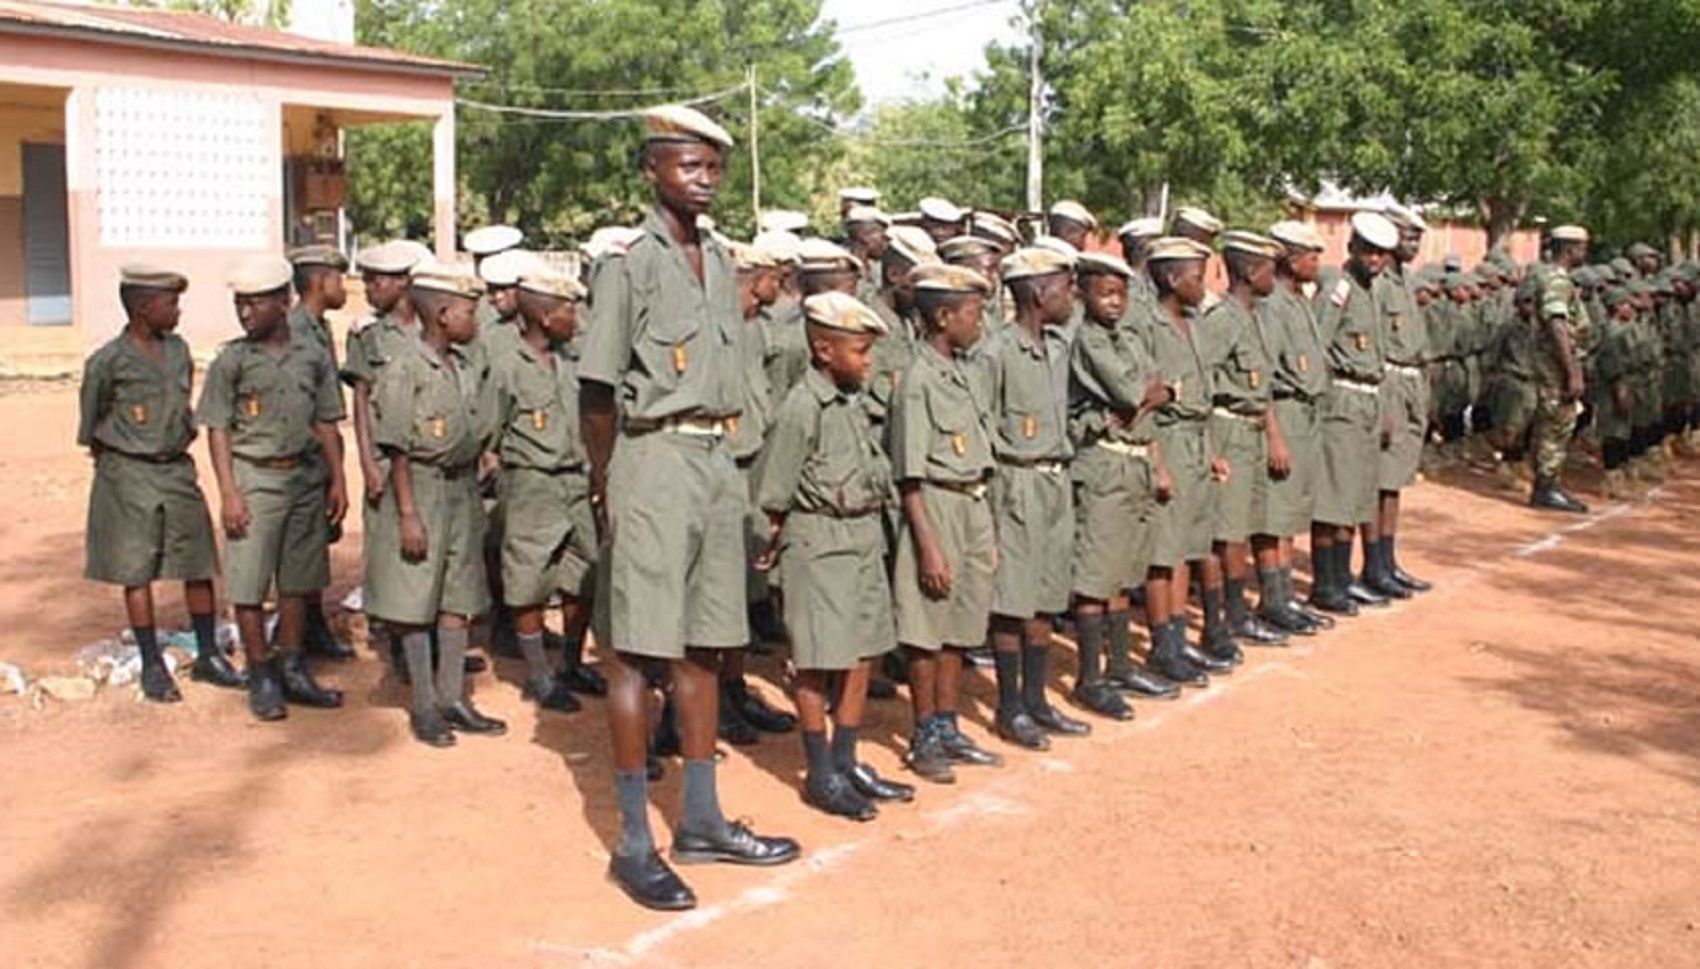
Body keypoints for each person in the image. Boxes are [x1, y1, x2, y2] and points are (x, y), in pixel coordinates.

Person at [580, 105, 800, 913]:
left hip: (716, 461)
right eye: (687, 165)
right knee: (638, 652)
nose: (703, 180)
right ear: (651, 169)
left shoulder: (719, 258)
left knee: (706, 645)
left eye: (713, 168)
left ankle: (702, 819)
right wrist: (610, 482)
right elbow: (598, 389)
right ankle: (637, 841)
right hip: (653, 457)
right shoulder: (630, 264)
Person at [755, 290, 912, 820]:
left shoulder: (849, 402)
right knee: (818, 662)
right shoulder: (803, 408)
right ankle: (820, 771)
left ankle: (846, 762)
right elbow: (774, 492)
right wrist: (770, 552)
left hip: (861, 539)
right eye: (859, 351)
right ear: (824, 350)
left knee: (863, 652)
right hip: (818, 545)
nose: (867, 361)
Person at [79, 265, 239, 702]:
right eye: (171, 303)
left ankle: (208, 654)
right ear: (144, 308)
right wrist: (123, 459)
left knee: (198, 562)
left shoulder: (179, 351)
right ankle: (152, 663)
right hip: (128, 474)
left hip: (176, 470)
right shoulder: (108, 362)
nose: (178, 310)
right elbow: (91, 426)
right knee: (137, 569)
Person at [198, 255, 348, 721]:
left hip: (304, 477)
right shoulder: (232, 361)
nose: (245, 313)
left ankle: (293, 666)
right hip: (255, 478)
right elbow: (218, 428)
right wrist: (229, 492)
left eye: (255, 303)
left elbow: (325, 421)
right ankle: (261, 673)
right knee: (248, 582)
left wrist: (337, 478)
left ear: (283, 302)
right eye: (239, 304)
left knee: (298, 581)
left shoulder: (312, 356)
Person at [366, 261, 505, 744]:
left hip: (461, 488)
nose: (476, 320)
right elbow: (399, 448)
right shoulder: (406, 368)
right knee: (415, 599)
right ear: (444, 314)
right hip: (420, 488)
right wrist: (407, 514)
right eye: (469, 311)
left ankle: (453, 698)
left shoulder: (463, 366)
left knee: (457, 597)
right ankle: (424, 705)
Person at [888, 262, 1004, 783]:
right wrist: (928, 546)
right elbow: (909, 474)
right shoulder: (917, 380)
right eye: (972, 313)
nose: (979, 323)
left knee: (960, 625)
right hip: (935, 507)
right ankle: (924, 733)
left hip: (971, 503)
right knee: (926, 631)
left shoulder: (961, 369)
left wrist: (989, 530)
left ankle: (948, 722)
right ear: (942, 317)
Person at [980, 246, 1091, 749]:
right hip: (1015, 482)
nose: (1072, 295)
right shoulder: (996, 351)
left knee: (1046, 596)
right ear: (1039, 292)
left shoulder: (1057, 346)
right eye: (1065, 287)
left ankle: (1036, 699)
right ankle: (1009, 706)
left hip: (1054, 480)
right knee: (1012, 601)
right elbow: (983, 427)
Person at [1065, 251, 1180, 719]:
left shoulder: (1125, 337)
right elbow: (1136, 392)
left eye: (1121, 293)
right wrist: (1152, 393)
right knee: (1097, 575)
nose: (1115, 302)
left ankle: (1118, 665)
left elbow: (1160, 390)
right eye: (1105, 293)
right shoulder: (1090, 339)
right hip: (1105, 463)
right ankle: (1090, 677)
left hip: (1135, 458)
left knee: (1123, 570)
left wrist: (1154, 393)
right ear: (1083, 293)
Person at [485, 267, 599, 713]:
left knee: (584, 572)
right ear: (547, 317)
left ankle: (570, 662)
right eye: (570, 310)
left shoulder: (574, 362)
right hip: (532, 482)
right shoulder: (507, 367)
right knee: (529, 578)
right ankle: (538, 674)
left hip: (577, 480)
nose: (577, 318)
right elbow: (487, 430)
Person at [1136, 236, 1234, 685]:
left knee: (1187, 547)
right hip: (1168, 441)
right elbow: (1147, 404)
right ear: (1173, 279)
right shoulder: (1149, 326)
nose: (1204, 285)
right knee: (1164, 552)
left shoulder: (1192, 324)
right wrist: (1157, 463)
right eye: (1197, 276)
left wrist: (1212, 451)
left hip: (1194, 440)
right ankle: (1163, 644)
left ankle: (1178, 639)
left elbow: (1203, 395)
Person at [716, 239, 799, 746]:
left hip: (754, 461)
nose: (780, 284)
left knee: (745, 588)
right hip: (727, 466)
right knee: (723, 591)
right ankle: (718, 700)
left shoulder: (756, 329)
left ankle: (735, 688)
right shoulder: (721, 330)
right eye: (774, 276)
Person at [1199, 231, 1289, 651]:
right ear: (1251, 272)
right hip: (1228, 431)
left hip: (1250, 430)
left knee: (1241, 528)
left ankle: (1237, 614)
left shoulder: (1252, 315)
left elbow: (1261, 387)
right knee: (1225, 534)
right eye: (1270, 268)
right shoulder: (1222, 319)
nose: (1276, 275)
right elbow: (1201, 380)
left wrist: (1273, 436)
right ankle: (1223, 621)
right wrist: (1210, 449)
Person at [1309, 212, 1399, 614]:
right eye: (1369, 251)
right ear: (1352, 248)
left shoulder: (1371, 290)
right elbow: (1318, 343)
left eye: (1382, 253)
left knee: (1357, 497)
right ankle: (1327, 583)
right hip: (1342, 399)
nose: (1376, 260)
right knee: (1334, 500)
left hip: (1367, 397)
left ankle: (1343, 579)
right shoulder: (1339, 287)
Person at [1256, 222, 1333, 635]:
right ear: (1288, 257)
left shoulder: (1299, 301)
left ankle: (1285, 595)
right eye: (1310, 255)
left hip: (1305, 414)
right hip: (1283, 413)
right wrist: (1274, 436)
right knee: (1275, 513)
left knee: (1291, 511)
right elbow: (1263, 377)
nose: (1316, 263)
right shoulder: (1272, 306)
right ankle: (1273, 599)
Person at [285, 244, 357, 662]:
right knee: (301, 552)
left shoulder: (318, 327)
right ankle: (298, 635)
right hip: (305, 456)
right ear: (319, 282)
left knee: (314, 546)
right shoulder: (296, 330)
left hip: (322, 455)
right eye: (337, 278)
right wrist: (336, 473)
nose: (342, 286)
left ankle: (312, 628)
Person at [1363, 203, 1432, 598]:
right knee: (1379, 480)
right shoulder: (1377, 282)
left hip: (1408, 381)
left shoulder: (1405, 280)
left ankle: (1388, 560)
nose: (1414, 245)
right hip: (1387, 381)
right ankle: (1373, 565)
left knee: (1395, 482)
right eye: (1409, 236)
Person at [1527, 225, 1592, 513]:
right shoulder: (1557, 281)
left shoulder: (1559, 279)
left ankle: (1549, 484)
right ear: (1569, 249)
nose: (1584, 252)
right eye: (1582, 247)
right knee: (1556, 424)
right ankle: (1546, 488)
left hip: (1557, 366)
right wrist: (1572, 371)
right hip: (1555, 369)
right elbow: (1557, 326)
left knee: (1557, 425)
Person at [1593, 286, 1639, 499]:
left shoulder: (1623, 328)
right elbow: (1613, 365)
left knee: (1621, 431)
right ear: (1616, 307)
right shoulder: (1612, 332)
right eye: (1626, 304)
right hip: (1611, 387)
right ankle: (1611, 479)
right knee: (1613, 432)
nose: (1631, 308)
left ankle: (1617, 476)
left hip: (1624, 382)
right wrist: (1620, 390)